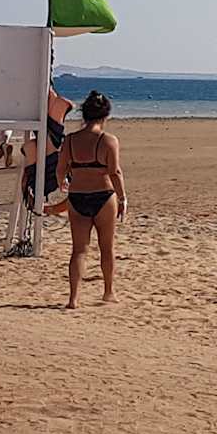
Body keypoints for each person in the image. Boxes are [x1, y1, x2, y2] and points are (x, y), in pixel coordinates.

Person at [58, 90, 125, 307]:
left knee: (79, 250)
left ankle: (73, 298)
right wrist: (122, 198)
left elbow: (61, 168)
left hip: (77, 195)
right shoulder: (108, 141)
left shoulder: (70, 140)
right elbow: (115, 172)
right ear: (105, 116)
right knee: (107, 247)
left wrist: (62, 182)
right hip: (103, 196)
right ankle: (108, 292)